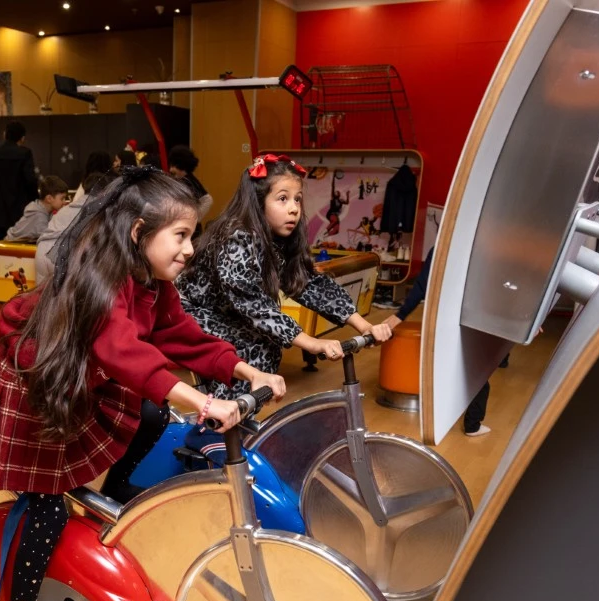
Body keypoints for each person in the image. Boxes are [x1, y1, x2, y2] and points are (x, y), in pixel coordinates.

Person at [0, 168, 286, 601]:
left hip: (79, 377)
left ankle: (116, 495)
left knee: (148, 414)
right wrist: (201, 402)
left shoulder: (152, 281)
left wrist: (244, 370)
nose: (190, 249)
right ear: (138, 233)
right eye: (181, 235)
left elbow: (179, 335)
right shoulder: (100, 280)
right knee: (46, 510)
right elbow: (125, 352)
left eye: (192, 235)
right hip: (35, 384)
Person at [178, 153, 393, 398]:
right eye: (283, 199)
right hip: (188, 312)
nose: (294, 208)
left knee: (267, 344)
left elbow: (308, 284)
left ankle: (237, 414)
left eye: (297, 199)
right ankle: (222, 413)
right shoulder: (237, 236)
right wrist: (310, 342)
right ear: (259, 201)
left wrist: (365, 326)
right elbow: (253, 303)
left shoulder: (280, 238)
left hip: (226, 312)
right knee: (251, 345)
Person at [380, 247, 496, 437]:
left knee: (453, 367)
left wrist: (400, 315)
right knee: (477, 373)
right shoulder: (480, 247)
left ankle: (441, 419)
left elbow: (421, 285)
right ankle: (472, 425)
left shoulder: (441, 246)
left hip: (442, 319)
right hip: (468, 318)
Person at [33, 170, 109, 282]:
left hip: (42, 252)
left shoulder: (65, 209)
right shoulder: (97, 211)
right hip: (63, 254)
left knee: (42, 292)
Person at [5, 175, 68, 243]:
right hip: (10, 245)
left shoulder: (47, 211)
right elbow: (48, 238)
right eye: (62, 198)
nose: (64, 202)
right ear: (49, 199)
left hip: (19, 244)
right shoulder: (38, 216)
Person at [167, 145, 213, 220]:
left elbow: (207, 199)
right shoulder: (181, 180)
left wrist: (194, 218)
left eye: (174, 165)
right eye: (171, 165)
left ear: (182, 165)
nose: (171, 169)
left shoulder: (190, 181)